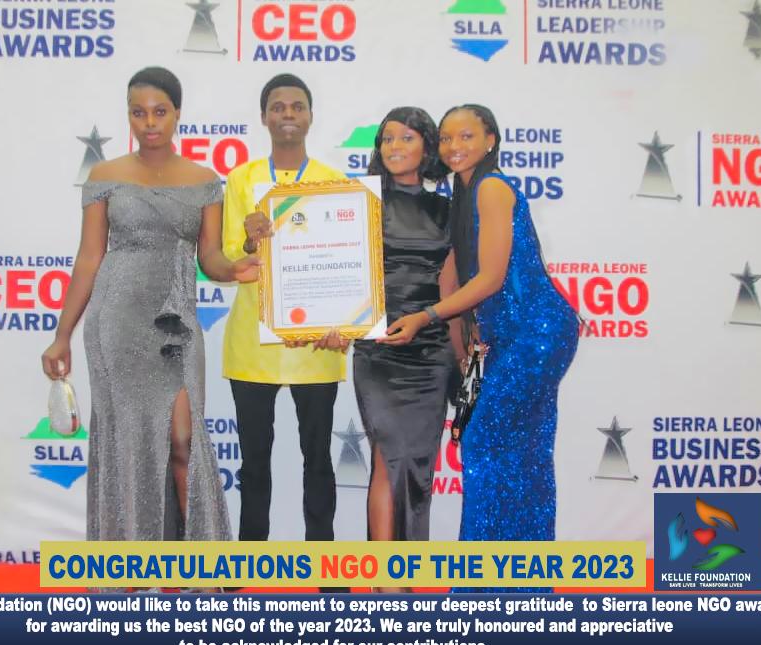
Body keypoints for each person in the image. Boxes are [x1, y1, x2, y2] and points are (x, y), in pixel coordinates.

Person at [41, 67, 256, 542]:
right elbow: (89, 258)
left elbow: (211, 257)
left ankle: (196, 564)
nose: (150, 122)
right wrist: (62, 335)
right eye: (138, 113)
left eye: (160, 112)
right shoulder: (105, 176)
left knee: (184, 440)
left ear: (177, 113)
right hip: (116, 323)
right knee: (127, 447)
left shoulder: (204, 181)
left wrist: (237, 267)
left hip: (176, 323)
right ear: (128, 116)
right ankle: (130, 564)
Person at [379, 104, 579, 544]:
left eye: (466, 136)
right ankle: (522, 568)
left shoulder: (491, 188)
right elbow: (449, 280)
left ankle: (483, 567)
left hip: (538, 332)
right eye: (447, 138)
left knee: (484, 440)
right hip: (508, 337)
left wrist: (425, 317)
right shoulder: (463, 197)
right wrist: (460, 348)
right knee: (525, 450)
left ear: (491, 140)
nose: (454, 146)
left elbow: (490, 279)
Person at [221, 74, 347, 541]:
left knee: (319, 461)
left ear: (310, 116)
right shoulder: (241, 179)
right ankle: (249, 562)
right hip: (252, 345)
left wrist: (345, 324)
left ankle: (323, 563)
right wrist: (247, 239)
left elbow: (346, 264)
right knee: (253, 463)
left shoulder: (335, 182)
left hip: (317, 344)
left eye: (297, 106)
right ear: (263, 117)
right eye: (278, 107)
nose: (288, 114)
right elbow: (224, 258)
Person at [353, 107, 459, 541]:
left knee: (418, 463)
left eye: (406, 138)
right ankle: (385, 571)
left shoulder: (447, 209)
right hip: (378, 349)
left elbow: (453, 288)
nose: (394, 146)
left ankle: (410, 563)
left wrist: (462, 355)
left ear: (427, 147)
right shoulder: (359, 203)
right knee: (387, 456)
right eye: (387, 138)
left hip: (431, 351)